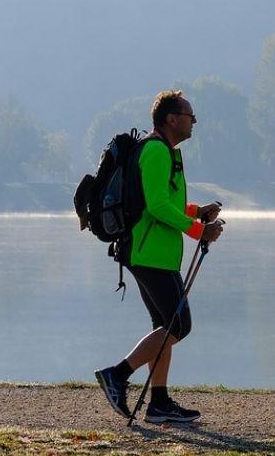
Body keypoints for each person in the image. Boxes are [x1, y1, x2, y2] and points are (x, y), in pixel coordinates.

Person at [94, 89, 222, 423]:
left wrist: (197, 212)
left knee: (164, 326)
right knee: (178, 325)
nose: (194, 121)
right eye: (189, 115)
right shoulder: (155, 151)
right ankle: (117, 375)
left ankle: (159, 403)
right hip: (148, 252)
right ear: (171, 118)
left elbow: (168, 202)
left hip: (157, 253)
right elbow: (157, 205)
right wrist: (198, 231)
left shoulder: (167, 151)